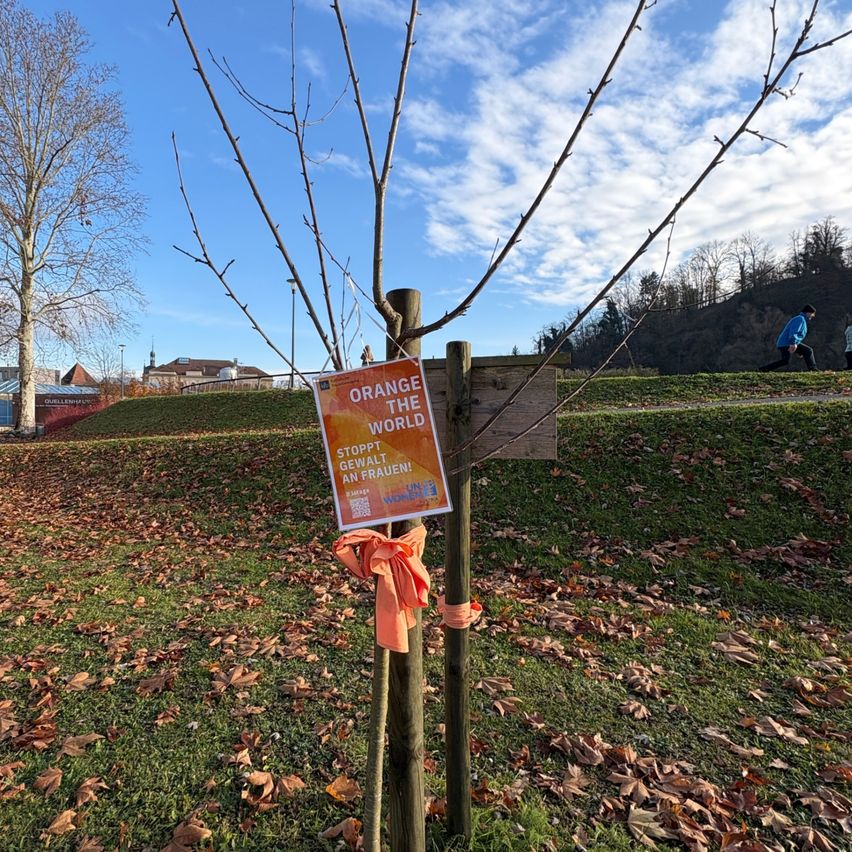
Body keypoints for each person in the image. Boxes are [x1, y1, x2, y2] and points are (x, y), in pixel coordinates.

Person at [759, 304, 818, 372]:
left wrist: (799, 351)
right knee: (807, 351)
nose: (813, 316)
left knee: (806, 351)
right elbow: (793, 332)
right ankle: (813, 369)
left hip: (788, 342)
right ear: (807, 312)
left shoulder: (801, 319)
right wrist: (793, 344)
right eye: (812, 314)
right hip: (786, 343)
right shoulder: (800, 319)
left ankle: (762, 369)